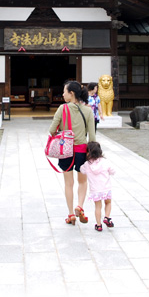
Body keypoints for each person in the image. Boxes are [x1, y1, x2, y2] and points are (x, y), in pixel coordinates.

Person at [48, 80, 96, 225]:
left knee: (68, 183)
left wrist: (61, 131)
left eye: (65, 92)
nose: (63, 94)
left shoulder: (62, 109)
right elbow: (92, 137)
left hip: (65, 151)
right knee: (82, 181)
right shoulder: (88, 110)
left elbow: (51, 130)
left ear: (72, 93)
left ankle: (70, 214)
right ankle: (79, 206)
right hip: (82, 150)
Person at [80, 141, 115, 231]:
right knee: (108, 203)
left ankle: (99, 225)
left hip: (95, 190)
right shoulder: (105, 162)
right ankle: (107, 217)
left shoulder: (87, 165)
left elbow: (81, 170)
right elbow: (112, 171)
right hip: (106, 188)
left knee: (98, 207)